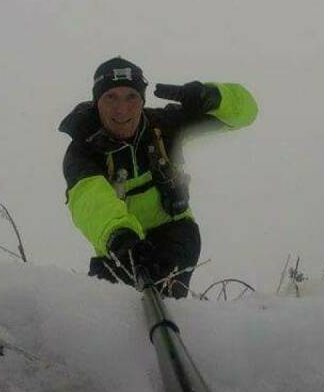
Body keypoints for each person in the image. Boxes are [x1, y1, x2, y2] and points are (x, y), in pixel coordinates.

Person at [58, 57, 258, 297]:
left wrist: (212, 97)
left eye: (131, 96)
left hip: (173, 232)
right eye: (110, 97)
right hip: (119, 243)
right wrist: (121, 238)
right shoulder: (83, 150)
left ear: (142, 100)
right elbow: (90, 200)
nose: (121, 109)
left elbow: (246, 113)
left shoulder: (164, 127)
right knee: (108, 313)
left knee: (163, 302)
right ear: (96, 102)